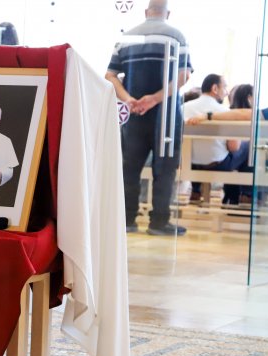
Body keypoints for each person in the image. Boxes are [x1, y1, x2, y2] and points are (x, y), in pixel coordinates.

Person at [105, 0, 193, 236]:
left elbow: (110, 75)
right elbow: (184, 75)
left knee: (129, 168)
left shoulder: (126, 38)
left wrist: (129, 100)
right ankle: (159, 222)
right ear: (167, 13)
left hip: (133, 114)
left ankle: (126, 219)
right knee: (165, 169)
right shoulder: (176, 36)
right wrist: (154, 99)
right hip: (166, 116)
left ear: (146, 12)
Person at [183, 74, 249, 204]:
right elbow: (233, 147)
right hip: (218, 166)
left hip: (190, 164)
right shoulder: (224, 112)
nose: (226, 92)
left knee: (196, 151)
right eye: (224, 88)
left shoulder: (183, 107)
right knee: (248, 147)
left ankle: (196, 190)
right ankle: (246, 195)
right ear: (215, 88)